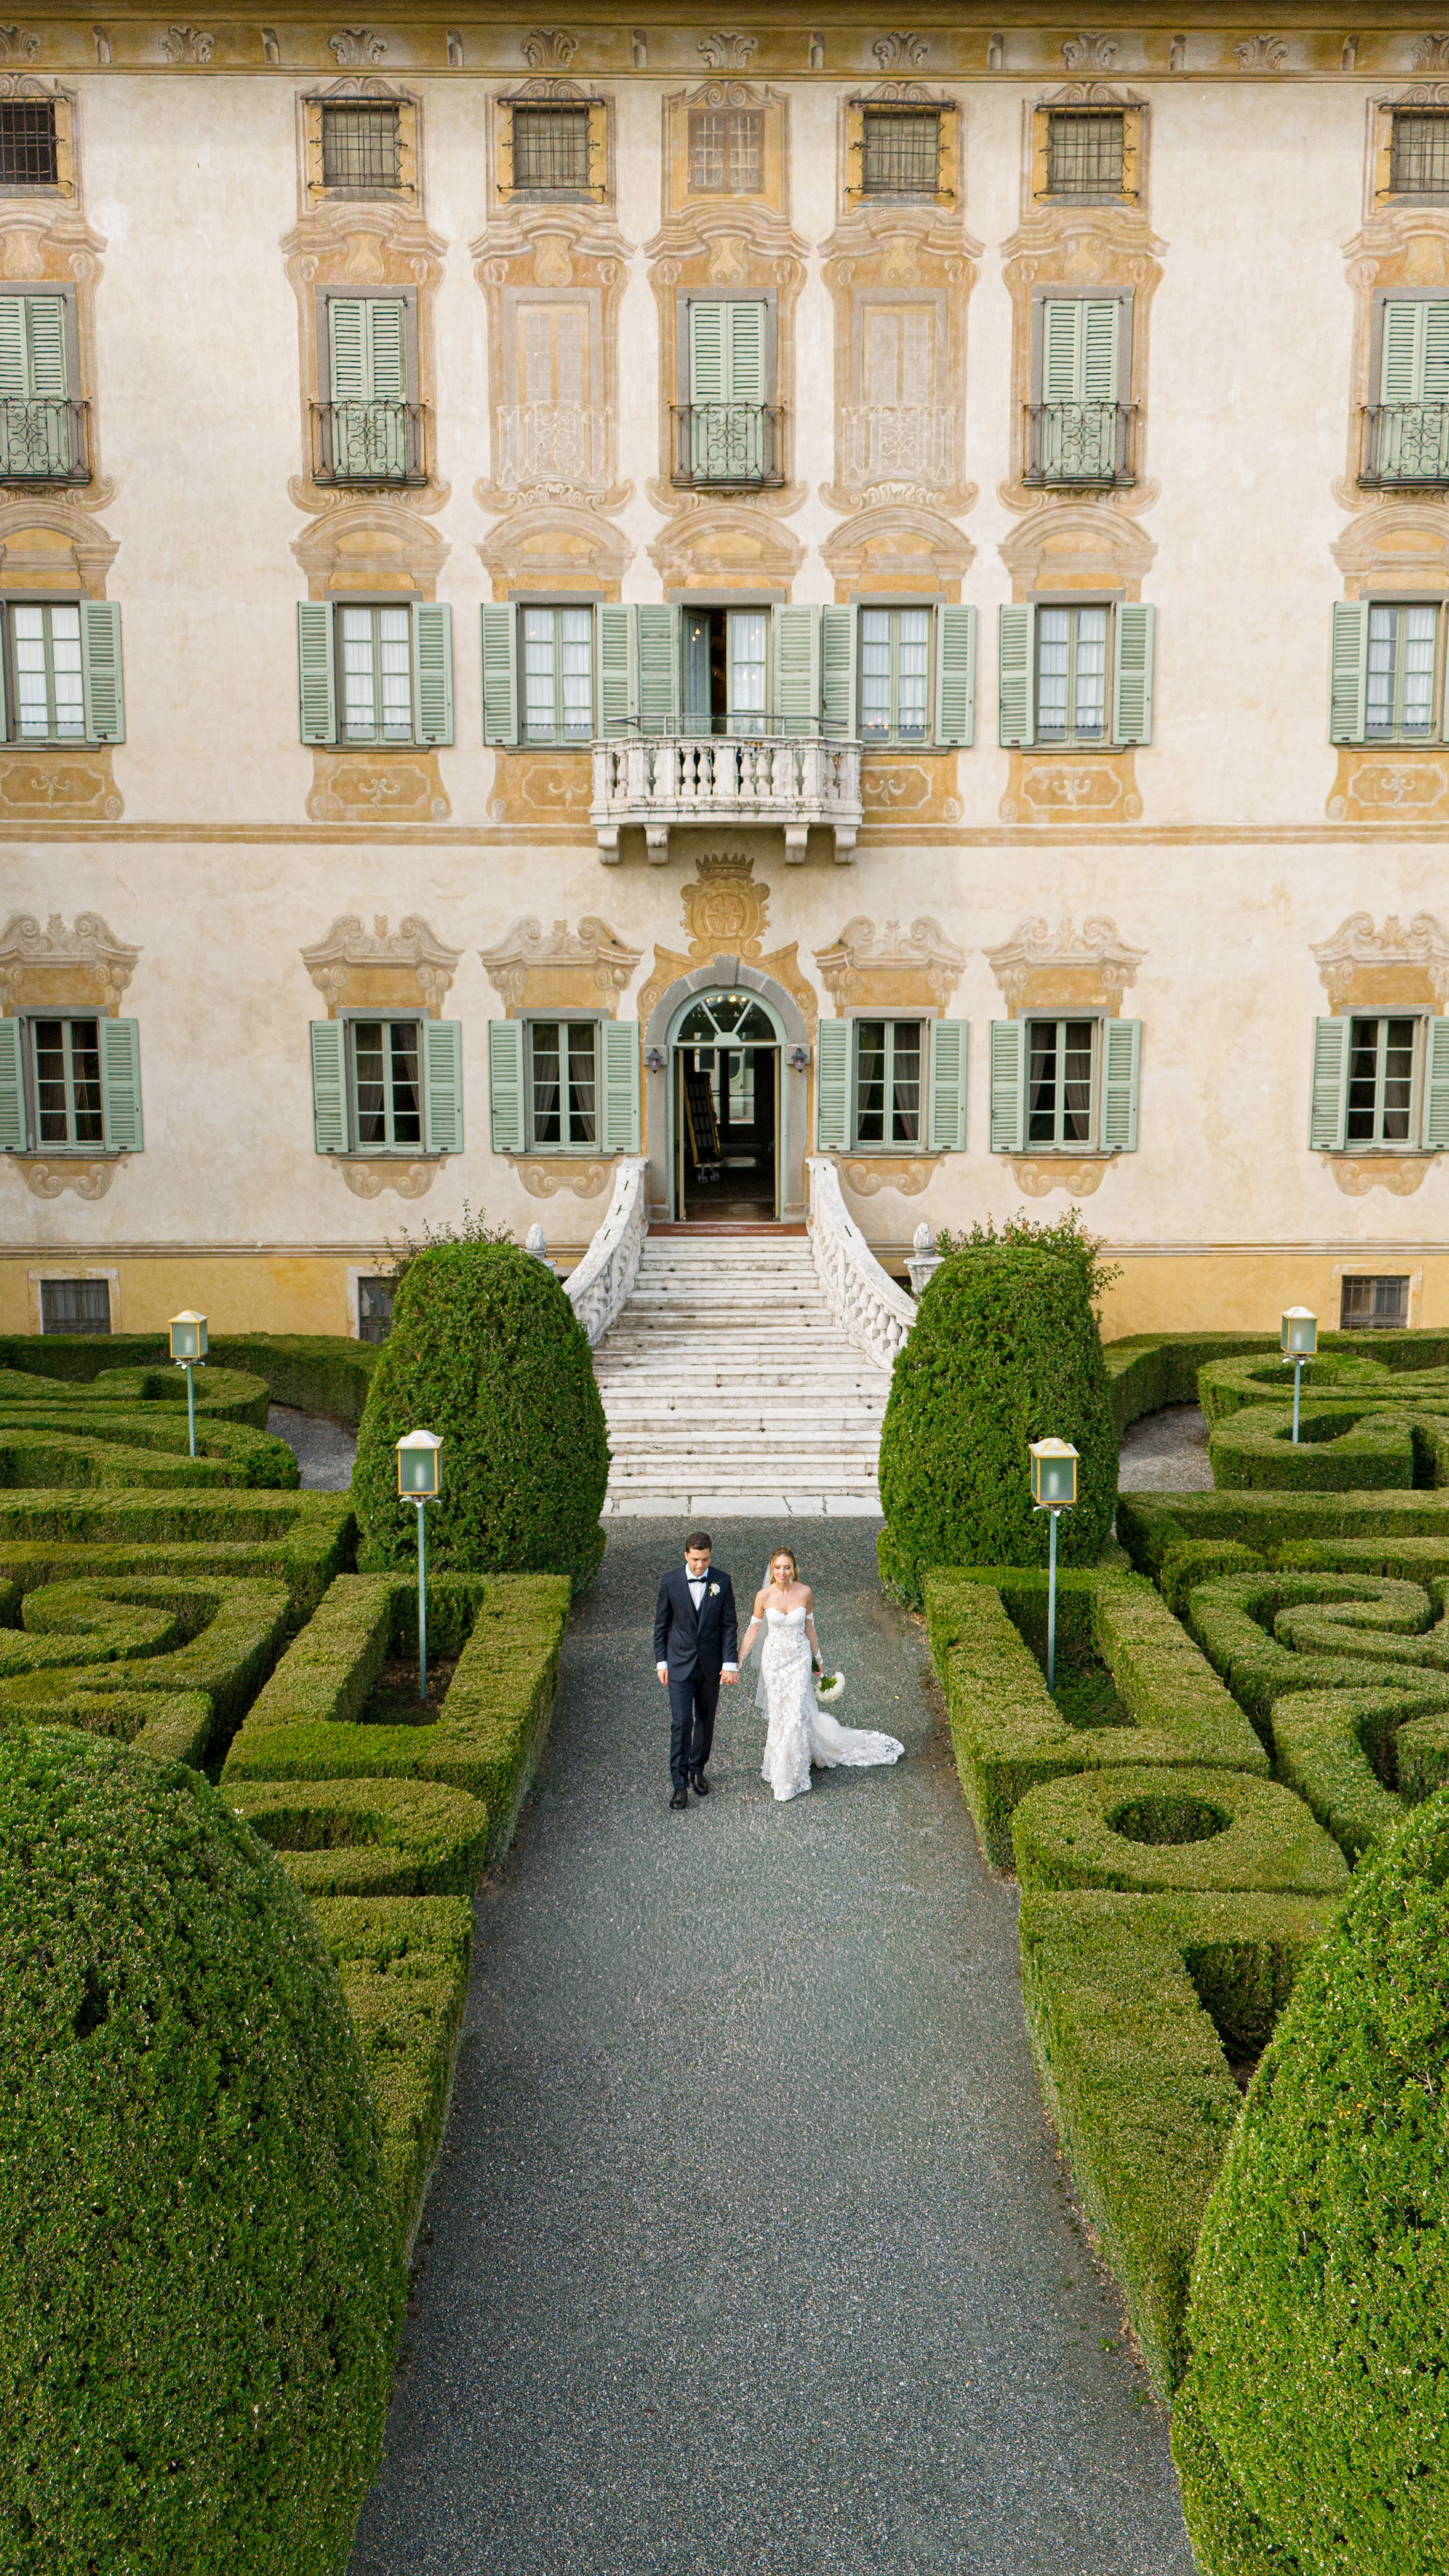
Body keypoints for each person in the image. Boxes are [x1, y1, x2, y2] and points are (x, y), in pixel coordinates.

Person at [739, 1545, 904, 1805]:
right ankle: (781, 1768)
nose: (783, 1572)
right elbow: (752, 1631)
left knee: (795, 1713)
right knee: (781, 1715)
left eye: (787, 1567)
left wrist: (818, 1660)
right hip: (774, 1663)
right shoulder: (763, 1596)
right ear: (772, 1569)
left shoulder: (805, 1593)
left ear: (794, 1568)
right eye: (778, 1567)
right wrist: (735, 1663)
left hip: (798, 1659)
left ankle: (791, 1775)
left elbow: (810, 1628)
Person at [654, 1531, 739, 1812]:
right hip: (678, 1664)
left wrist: (729, 1663)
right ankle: (679, 1784)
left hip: (711, 1665)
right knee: (681, 1723)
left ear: (710, 1556)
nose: (700, 1565)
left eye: (705, 1560)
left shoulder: (722, 1581)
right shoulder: (670, 1581)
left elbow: (729, 1624)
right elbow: (661, 1626)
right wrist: (662, 1662)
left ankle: (697, 1769)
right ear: (686, 1556)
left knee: (705, 1719)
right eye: (695, 1560)